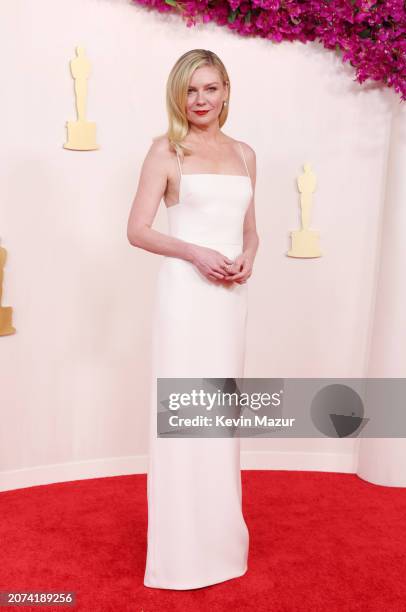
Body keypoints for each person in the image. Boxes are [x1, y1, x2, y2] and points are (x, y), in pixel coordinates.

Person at [127, 48, 259, 590]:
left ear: (226, 90)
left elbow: (250, 228)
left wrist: (249, 255)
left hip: (229, 300)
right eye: (190, 90)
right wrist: (196, 254)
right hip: (186, 297)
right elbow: (137, 230)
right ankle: (182, 554)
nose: (201, 100)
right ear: (178, 95)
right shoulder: (166, 151)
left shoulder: (246, 154)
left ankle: (222, 543)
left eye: (210, 88)